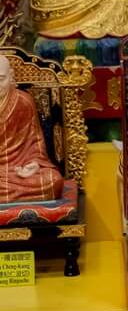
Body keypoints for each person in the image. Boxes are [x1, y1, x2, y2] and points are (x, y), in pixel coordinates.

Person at [0, 55, 65, 203]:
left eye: (1, 79)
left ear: (11, 76)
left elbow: (34, 142)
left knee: (54, 181)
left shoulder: (23, 102)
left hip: (18, 170)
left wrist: (34, 163)